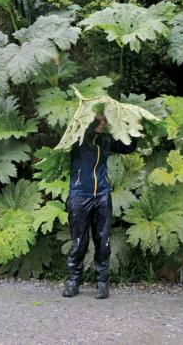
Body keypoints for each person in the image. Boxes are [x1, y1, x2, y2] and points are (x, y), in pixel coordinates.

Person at [62, 114, 137, 299]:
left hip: (102, 195)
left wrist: (134, 126)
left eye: (105, 120)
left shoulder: (106, 140)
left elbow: (128, 147)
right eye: (100, 120)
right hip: (79, 195)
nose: (103, 124)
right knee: (79, 242)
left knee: (103, 241)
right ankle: (74, 280)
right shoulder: (78, 139)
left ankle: (102, 282)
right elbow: (67, 131)